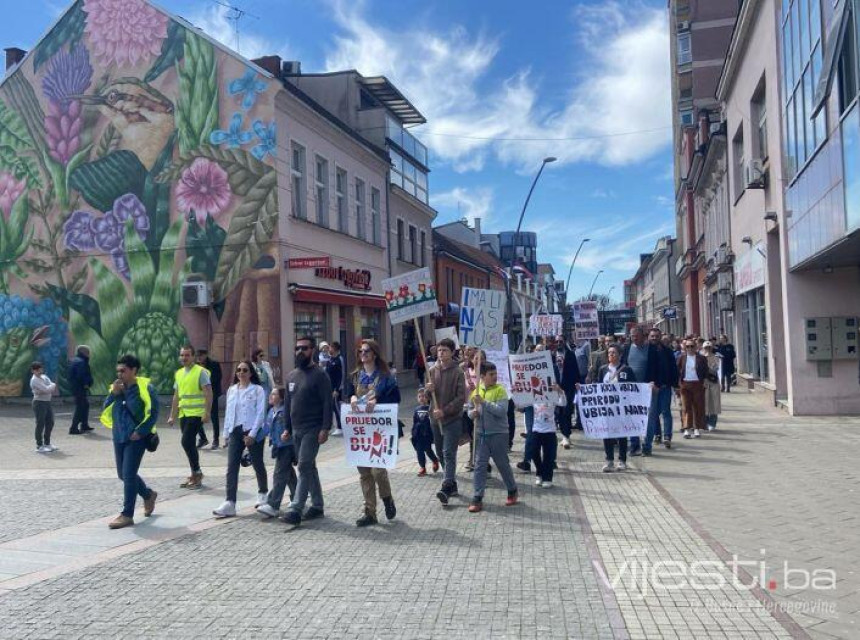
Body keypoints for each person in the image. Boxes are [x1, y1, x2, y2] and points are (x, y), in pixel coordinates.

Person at [101, 354, 158, 529]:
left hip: (136, 439)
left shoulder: (145, 388)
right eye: (118, 371)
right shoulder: (116, 387)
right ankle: (148, 495)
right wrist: (113, 394)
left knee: (128, 474)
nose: (119, 374)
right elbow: (105, 408)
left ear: (133, 370)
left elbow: (154, 413)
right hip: (118, 436)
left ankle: (127, 514)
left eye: (123, 371)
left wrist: (140, 432)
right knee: (123, 475)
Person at [347, 339, 400, 526]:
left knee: (378, 470)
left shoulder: (386, 376)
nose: (363, 354)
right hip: (360, 431)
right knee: (364, 473)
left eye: (367, 351)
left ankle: (387, 499)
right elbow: (346, 394)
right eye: (360, 352)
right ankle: (370, 512)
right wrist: (352, 397)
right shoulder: (355, 376)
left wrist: (378, 400)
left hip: (379, 430)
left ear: (375, 354)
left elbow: (396, 398)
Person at [281, 336, 333, 527]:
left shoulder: (320, 375)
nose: (299, 352)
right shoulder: (291, 376)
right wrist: (286, 428)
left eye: (304, 348)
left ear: (312, 350)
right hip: (296, 429)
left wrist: (326, 428)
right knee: (309, 466)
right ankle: (317, 506)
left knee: (303, 465)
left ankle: (295, 508)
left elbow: (328, 402)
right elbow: (287, 404)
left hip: (313, 428)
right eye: (297, 348)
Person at [213, 360, 268, 518]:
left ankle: (263, 493)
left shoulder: (257, 390)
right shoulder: (231, 390)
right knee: (231, 467)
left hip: (251, 429)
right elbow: (229, 413)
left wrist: (252, 434)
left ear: (251, 373)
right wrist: (225, 434)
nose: (241, 373)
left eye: (245, 370)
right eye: (239, 370)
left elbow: (260, 413)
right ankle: (230, 502)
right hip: (235, 431)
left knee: (257, 462)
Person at [467, 362, 518, 512]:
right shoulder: (475, 392)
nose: (495, 377)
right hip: (481, 434)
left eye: (495, 374)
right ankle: (477, 497)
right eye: (491, 375)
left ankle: (512, 489)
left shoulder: (500, 390)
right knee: (480, 466)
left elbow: (501, 411)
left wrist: (484, 402)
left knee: (502, 464)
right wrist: (473, 413)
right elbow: (469, 411)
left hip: (498, 434)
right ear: (482, 376)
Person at [424, 337, 466, 505]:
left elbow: (461, 397)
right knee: (441, 452)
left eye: (445, 350)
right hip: (435, 419)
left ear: (452, 352)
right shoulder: (432, 371)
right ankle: (452, 482)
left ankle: (446, 485)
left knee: (449, 452)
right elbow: (426, 397)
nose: (441, 353)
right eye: (439, 350)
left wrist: (445, 410)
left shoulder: (458, 372)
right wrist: (428, 391)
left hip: (452, 419)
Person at [167, 346, 212, 490]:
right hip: (184, 414)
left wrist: (207, 412)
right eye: (182, 355)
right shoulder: (179, 373)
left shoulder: (200, 372)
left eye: (187, 355)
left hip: (197, 414)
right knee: (189, 444)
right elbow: (176, 396)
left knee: (186, 441)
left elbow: (208, 393)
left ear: (193, 357)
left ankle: (197, 472)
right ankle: (195, 473)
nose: (184, 358)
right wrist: (172, 416)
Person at [620, 326, 663, 456]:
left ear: (643, 335)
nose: (634, 338)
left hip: (648, 389)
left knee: (649, 418)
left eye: (636, 336)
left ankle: (647, 446)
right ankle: (634, 445)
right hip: (631, 390)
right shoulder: (627, 348)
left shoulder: (652, 349)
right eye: (632, 336)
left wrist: (657, 384)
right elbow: (623, 366)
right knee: (631, 417)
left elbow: (660, 368)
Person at [256, 388, 297, 518]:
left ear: (281, 397)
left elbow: (291, 426)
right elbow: (266, 428)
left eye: (274, 394)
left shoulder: (285, 411)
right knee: (288, 473)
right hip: (278, 446)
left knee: (279, 474)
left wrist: (288, 433)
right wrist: (254, 439)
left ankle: (273, 504)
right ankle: (298, 496)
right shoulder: (271, 412)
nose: (271, 396)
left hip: (287, 446)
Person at [596, 345, 634, 472]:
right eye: (609, 352)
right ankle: (609, 460)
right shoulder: (602, 370)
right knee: (607, 433)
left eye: (614, 352)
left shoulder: (627, 370)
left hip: (622, 408)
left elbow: (635, 387)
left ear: (620, 354)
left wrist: (648, 387)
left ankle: (622, 460)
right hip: (607, 408)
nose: (611, 354)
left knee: (622, 433)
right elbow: (597, 388)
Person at [642, 328, 678, 454]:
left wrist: (674, 384)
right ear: (648, 337)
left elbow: (673, 368)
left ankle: (667, 436)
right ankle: (656, 436)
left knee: (666, 412)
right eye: (652, 336)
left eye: (656, 336)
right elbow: (645, 369)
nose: (654, 338)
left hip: (665, 387)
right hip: (651, 388)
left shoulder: (667, 351)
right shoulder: (645, 351)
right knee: (653, 414)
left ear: (660, 336)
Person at [528, 384, 564, 488]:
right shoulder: (533, 395)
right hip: (536, 429)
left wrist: (560, 391)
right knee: (534, 451)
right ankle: (539, 473)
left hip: (550, 430)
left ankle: (547, 478)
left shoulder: (552, 395)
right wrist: (517, 392)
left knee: (549, 455)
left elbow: (563, 402)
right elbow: (520, 405)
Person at [678, 338, 709, 438]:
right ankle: (687, 429)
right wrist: (678, 384)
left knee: (697, 407)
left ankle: (696, 428)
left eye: (692, 346)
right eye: (687, 346)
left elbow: (705, 371)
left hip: (697, 384)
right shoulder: (681, 358)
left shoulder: (701, 358)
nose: (690, 348)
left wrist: (704, 382)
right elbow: (677, 371)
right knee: (686, 407)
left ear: (696, 347)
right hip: (685, 385)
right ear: (685, 348)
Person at [196, 349, 222, 449]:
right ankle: (203, 438)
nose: (199, 357)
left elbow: (217, 378)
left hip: (212, 394)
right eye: (197, 355)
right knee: (197, 417)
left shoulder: (214, 364)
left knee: (214, 417)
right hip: (199, 395)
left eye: (201, 355)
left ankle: (216, 440)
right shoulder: (195, 366)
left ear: (206, 355)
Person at [30, 362, 57, 453]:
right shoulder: (34, 380)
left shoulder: (44, 377)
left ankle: (47, 443)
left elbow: (51, 386)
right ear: (33, 371)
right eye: (36, 370)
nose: (38, 371)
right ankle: (39, 445)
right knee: (40, 423)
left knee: (50, 422)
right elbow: (47, 390)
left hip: (47, 402)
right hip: (39, 403)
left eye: (40, 369)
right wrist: (49, 387)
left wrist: (49, 387)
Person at [412, 387, 439, 476]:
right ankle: (422, 467)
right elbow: (415, 421)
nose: (422, 398)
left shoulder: (430, 408)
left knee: (428, 449)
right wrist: (414, 432)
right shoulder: (416, 409)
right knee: (419, 450)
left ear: (427, 398)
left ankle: (435, 460)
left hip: (427, 433)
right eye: (420, 396)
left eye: (424, 396)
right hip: (419, 434)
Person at [68, 345, 94, 434]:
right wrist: (86, 384)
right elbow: (82, 375)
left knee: (85, 405)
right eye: (88, 353)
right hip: (80, 387)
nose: (89, 355)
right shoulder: (81, 362)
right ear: (85, 353)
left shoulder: (75, 361)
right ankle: (73, 428)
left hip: (75, 387)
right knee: (80, 407)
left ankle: (84, 425)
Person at [326, 341, 345, 436]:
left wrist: (337, 389)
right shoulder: (330, 360)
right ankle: (332, 426)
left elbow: (341, 375)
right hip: (328, 388)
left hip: (335, 389)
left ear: (335, 349)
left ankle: (340, 427)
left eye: (331, 347)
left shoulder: (339, 359)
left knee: (337, 407)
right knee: (330, 408)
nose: (329, 349)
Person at [703, 341, 722, 431]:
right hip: (704, 383)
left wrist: (706, 368)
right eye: (706, 348)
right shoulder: (701, 358)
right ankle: (705, 423)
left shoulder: (716, 357)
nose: (708, 349)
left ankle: (712, 423)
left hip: (714, 382)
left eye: (709, 347)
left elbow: (715, 369)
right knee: (705, 403)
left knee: (714, 403)